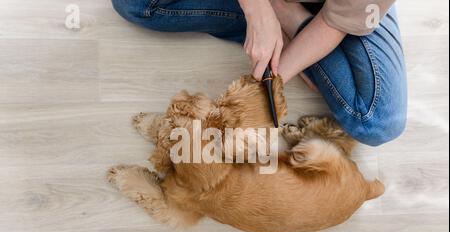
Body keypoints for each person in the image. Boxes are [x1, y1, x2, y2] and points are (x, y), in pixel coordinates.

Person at [111, 0, 407, 146]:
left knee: (378, 121)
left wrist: (272, 80)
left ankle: (285, 20)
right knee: (136, 3)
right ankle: (268, 26)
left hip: (343, 10)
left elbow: (337, 22)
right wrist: (256, 10)